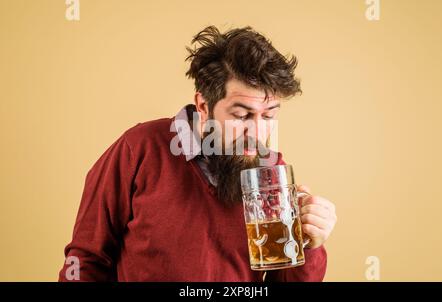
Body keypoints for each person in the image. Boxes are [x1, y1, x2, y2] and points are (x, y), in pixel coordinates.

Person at [59, 25, 337, 282]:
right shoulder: (139, 149)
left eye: (268, 116)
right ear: (203, 105)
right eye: (242, 115)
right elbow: (86, 259)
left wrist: (310, 244)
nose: (257, 132)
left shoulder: (270, 171)